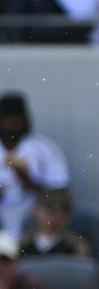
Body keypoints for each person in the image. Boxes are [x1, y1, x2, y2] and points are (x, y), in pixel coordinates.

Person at [0, 92, 70, 237]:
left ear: (25, 120)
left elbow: (62, 197)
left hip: (34, 231)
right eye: (6, 118)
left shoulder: (44, 149)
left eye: (16, 118)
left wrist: (28, 180)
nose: (11, 123)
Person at [18, 187, 90, 259]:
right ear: (36, 209)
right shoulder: (23, 243)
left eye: (64, 210)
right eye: (51, 209)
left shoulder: (76, 245)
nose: (58, 216)